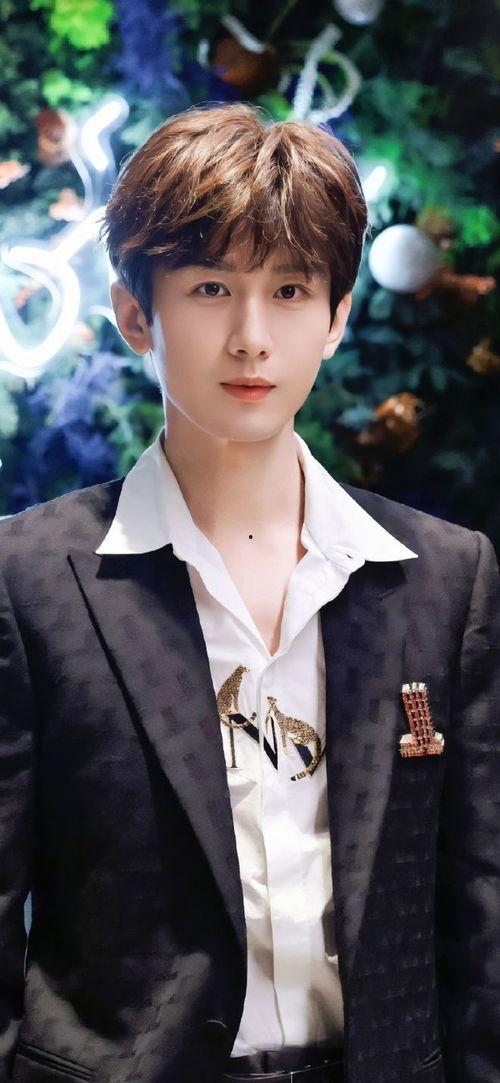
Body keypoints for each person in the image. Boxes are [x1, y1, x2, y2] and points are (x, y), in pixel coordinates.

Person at [0, 101, 498, 1083]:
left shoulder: (443, 577)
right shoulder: (29, 580)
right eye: (210, 287)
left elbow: (481, 910)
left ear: (337, 316)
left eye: (289, 289)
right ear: (135, 313)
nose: (250, 336)